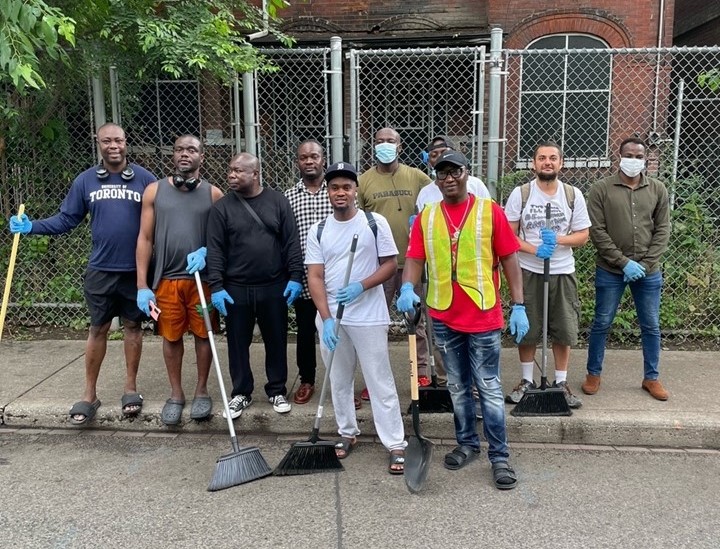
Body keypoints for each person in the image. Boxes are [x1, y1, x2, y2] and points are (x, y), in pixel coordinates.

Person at [8, 123, 157, 425]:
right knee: (97, 330)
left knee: (132, 327)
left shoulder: (145, 179)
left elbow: (163, 221)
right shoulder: (86, 181)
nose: (113, 145)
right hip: (101, 270)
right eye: (107, 141)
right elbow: (66, 219)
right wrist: (31, 226)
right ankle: (89, 394)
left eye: (118, 140)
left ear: (127, 143)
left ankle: (130, 388)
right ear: (98, 143)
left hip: (136, 272)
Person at [397, 150, 528, 490]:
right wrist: (407, 287)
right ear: (436, 179)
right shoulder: (427, 216)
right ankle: (467, 443)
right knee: (456, 385)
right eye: (442, 173)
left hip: (483, 315)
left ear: (466, 173)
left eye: (455, 171)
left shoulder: (489, 212)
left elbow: (510, 259)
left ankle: (499, 456)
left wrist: (519, 304)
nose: (449, 178)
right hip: (442, 314)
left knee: (488, 386)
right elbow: (414, 258)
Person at [305, 161, 407, 475]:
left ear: (355, 190)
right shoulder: (319, 229)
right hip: (333, 317)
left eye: (346, 187)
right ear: (328, 191)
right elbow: (315, 276)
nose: (340, 192)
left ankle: (395, 442)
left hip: (368, 315)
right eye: (334, 187)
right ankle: (347, 432)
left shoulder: (373, 223)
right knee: (338, 378)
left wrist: (362, 285)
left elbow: (390, 264)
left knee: (379, 379)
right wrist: (327, 318)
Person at [206, 152, 304, 418]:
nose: (231, 175)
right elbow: (215, 249)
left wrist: (295, 276)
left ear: (255, 174)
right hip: (235, 287)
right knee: (237, 343)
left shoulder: (278, 202)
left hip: (274, 286)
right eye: (230, 170)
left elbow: (291, 242)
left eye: (238, 170)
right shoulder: (222, 208)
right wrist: (216, 286)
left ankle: (277, 390)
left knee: (276, 339)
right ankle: (241, 393)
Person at [135, 134, 224, 425]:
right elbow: (145, 238)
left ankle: (201, 390)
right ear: (173, 155)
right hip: (167, 280)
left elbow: (222, 239)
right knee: (171, 337)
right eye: (179, 149)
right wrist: (142, 285)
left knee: (203, 335)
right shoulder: (154, 191)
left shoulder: (214, 194)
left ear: (202, 157)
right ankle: (176, 393)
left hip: (202, 282)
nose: (185, 154)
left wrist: (207, 253)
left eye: (192, 150)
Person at [503, 141, 591, 409]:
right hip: (529, 270)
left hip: (562, 271)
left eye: (553, 158)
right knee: (528, 328)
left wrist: (560, 240)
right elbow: (509, 234)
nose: (547, 162)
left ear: (560, 163)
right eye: (542, 158)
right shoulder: (522, 194)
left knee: (563, 328)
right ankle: (527, 380)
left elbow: (583, 235)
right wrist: (534, 249)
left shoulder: (572, 194)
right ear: (534, 163)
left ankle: (560, 382)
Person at [582, 137, 671, 400]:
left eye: (639, 156)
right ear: (619, 157)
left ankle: (651, 378)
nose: (634, 160)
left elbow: (663, 229)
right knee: (602, 322)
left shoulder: (657, 189)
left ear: (646, 159)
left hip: (648, 271)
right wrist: (623, 262)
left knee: (651, 325)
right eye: (629, 155)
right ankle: (593, 374)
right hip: (610, 269)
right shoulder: (601, 189)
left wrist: (643, 264)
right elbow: (597, 231)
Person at [357, 127, 432, 401]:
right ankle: (374, 379)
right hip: (380, 265)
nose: (384, 145)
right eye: (379, 142)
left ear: (400, 146)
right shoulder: (363, 181)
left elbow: (437, 197)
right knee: (376, 323)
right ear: (372, 146)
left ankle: (421, 371)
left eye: (390, 141)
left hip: (413, 261)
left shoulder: (417, 176)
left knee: (417, 320)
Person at [283, 140, 334, 406]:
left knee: (339, 332)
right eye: (304, 158)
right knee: (305, 332)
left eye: (314, 156)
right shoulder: (289, 196)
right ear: (298, 162)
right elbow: (287, 239)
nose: (309, 161)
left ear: (323, 159)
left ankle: (341, 382)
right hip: (304, 278)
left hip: (336, 277)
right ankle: (307, 380)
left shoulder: (337, 190)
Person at [416, 135, 491, 211]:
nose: (440, 157)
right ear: (429, 162)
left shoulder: (476, 185)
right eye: (434, 155)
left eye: (444, 152)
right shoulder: (425, 193)